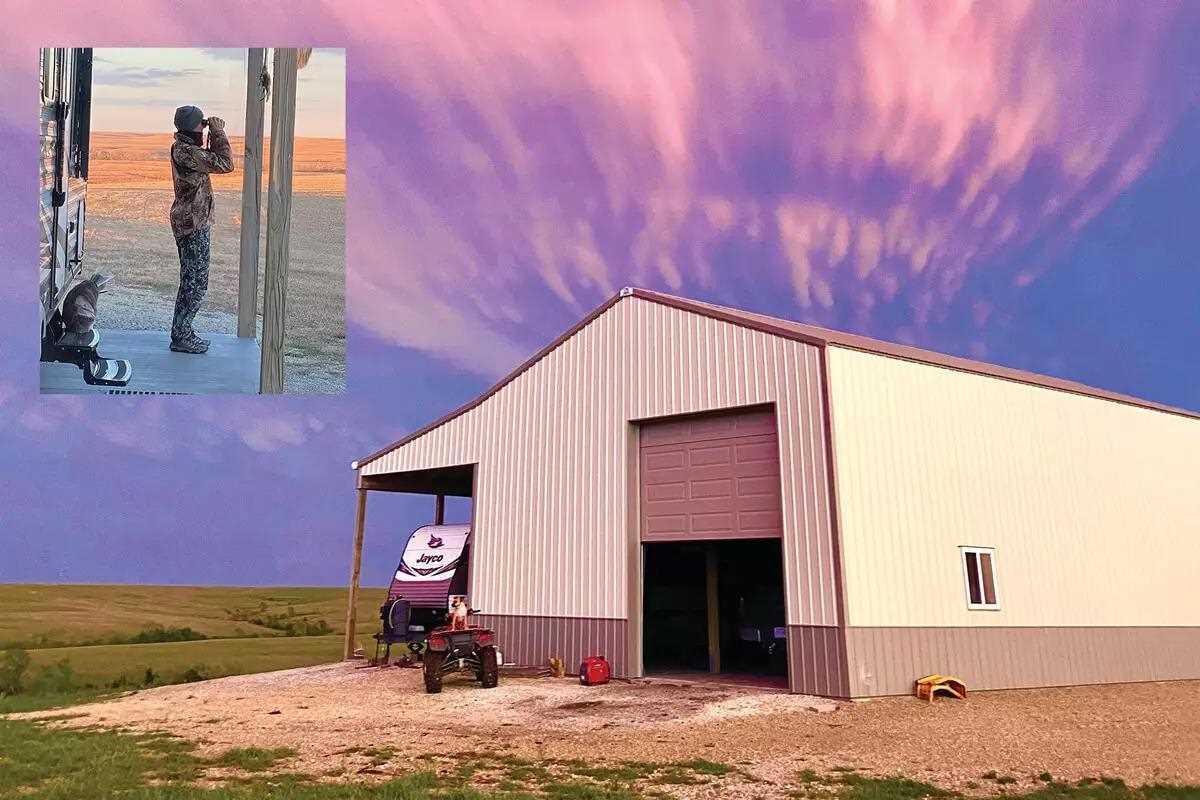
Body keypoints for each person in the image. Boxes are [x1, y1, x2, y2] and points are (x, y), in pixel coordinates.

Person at [168, 105, 234, 354]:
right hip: (191, 224)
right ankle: (181, 336)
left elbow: (211, 160)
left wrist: (210, 133)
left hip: (193, 222)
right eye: (201, 124)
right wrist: (217, 132)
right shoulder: (185, 152)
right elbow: (225, 164)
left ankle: (183, 332)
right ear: (192, 126)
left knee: (194, 281)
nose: (203, 127)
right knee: (194, 283)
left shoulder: (186, 149)